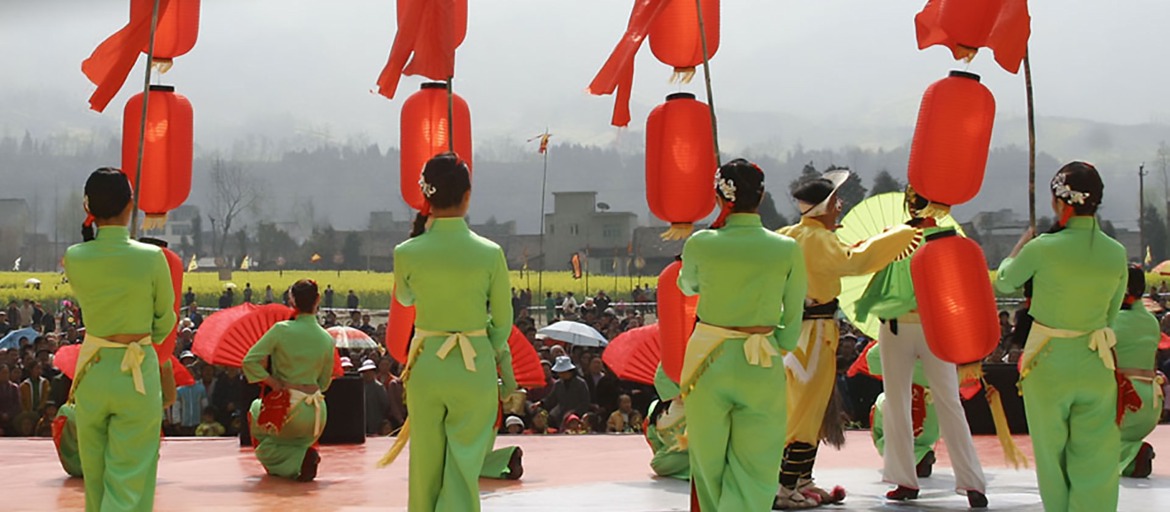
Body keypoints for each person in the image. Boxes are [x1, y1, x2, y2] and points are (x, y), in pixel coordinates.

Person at [775, 169, 916, 508]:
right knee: (806, 411)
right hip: (814, 335)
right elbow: (856, 261)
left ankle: (801, 480)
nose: (840, 207)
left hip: (793, 333)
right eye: (836, 202)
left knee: (803, 407)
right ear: (825, 207)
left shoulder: (786, 235)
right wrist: (900, 234)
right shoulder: (821, 240)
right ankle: (785, 485)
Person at [384, 153, 516, 511]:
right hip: (474, 365)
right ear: (468, 195)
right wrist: (482, 338)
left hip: (427, 363)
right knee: (463, 462)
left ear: (426, 196)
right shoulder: (490, 253)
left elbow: (407, 296)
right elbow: (503, 323)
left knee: (425, 461)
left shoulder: (406, 252)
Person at [994, 162, 1127, 511]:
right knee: (1097, 455)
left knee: (1051, 454)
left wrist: (1020, 247)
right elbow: (1111, 313)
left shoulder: (1042, 248)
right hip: (1096, 358)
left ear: (1058, 202)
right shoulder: (1116, 253)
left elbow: (1005, 280)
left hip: (1048, 361)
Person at [677, 159, 807, 511]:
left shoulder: (701, 243)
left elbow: (686, 285)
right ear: (761, 196)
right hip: (761, 356)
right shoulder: (786, 248)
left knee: (708, 463)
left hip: (707, 358)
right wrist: (776, 344)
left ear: (720, 197)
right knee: (758, 464)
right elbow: (794, 315)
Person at [852, 187, 988, 507]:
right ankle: (969, 483)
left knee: (901, 404)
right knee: (946, 403)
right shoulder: (948, 240)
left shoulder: (899, 238)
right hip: (926, 330)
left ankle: (908, 480)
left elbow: (865, 263)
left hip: (906, 328)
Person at [63, 168, 177, 511]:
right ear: (131, 205)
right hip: (136, 372)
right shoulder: (152, 258)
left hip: (93, 370)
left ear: (89, 207)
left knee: (95, 476)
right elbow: (165, 318)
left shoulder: (75, 256)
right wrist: (146, 337)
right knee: (130, 475)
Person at [242, 279, 336, 482]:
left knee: (256, 411)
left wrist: (274, 383)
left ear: (291, 301)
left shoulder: (281, 330)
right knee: (295, 439)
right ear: (318, 299)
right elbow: (325, 383)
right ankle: (301, 454)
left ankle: (295, 461)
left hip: (288, 409)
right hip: (317, 415)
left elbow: (250, 361)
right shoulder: (327, 338)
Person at [1112, 265, 1162, 478]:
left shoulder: (1111, 321)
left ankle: (1132, 451)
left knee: (1089, 444)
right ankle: (1132, 455)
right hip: (1152, 401)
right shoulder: (1152, 321)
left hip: (1124, 401)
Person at [536, 356, 590, 428]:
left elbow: (585, 402)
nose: (561, 374)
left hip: (576, 417)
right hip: (559, 415)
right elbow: (551, 399)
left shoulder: (581, 383)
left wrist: (574, 412)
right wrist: (541, 403)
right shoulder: (558, 384)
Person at [360, 359, 391, 435]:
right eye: (365, 372)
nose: (367, 374)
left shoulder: (379, 387)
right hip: (363, 422)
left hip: (376, 422)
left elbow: (385, 404)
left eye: (369, 371)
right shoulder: (360, 386)